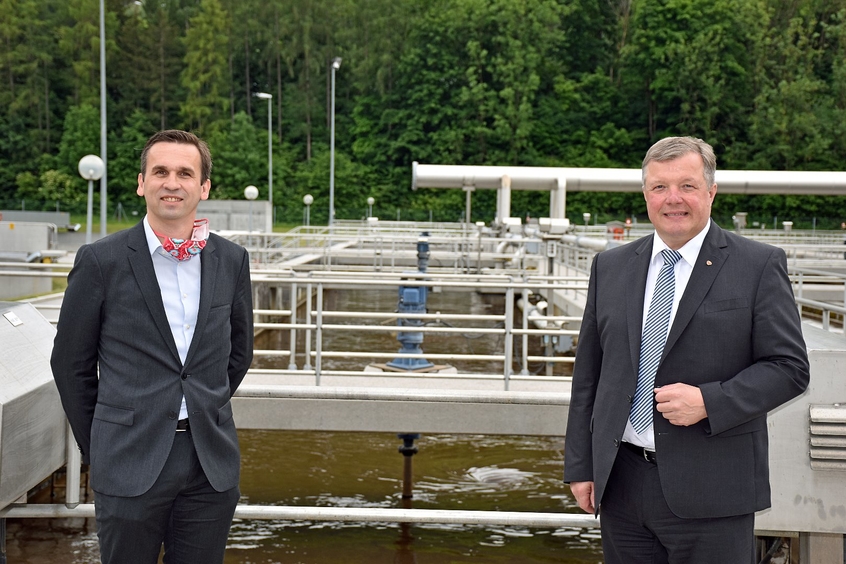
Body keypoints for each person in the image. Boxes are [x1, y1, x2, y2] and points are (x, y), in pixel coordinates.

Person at [563, 136, 810, 564]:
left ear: (711, 192)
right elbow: (589, 375)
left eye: (687, 186)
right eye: (659, 187)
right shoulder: (611, 266)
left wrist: (710, 401)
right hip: (621, 484)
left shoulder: (758, 265)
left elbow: (789, 368)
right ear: (645, 194)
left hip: (713, 490)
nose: (672, 199)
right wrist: (581, 465)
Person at [51, 129, 254, 564]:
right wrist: (102, 446)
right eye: (160, 171)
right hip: (127, 459)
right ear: (142, 182)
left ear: (204, 188)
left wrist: (202, 405)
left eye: (185, 172)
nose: (172, 182)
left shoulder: (231, 260)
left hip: (209, 463)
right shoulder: (101, 260)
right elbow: (70, 365)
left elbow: (239, 354)